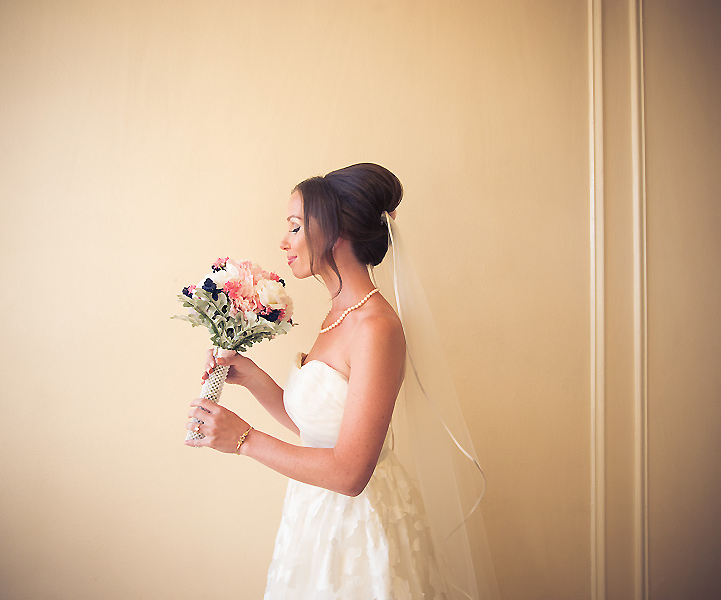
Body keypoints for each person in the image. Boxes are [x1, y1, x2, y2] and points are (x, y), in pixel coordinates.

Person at [185, 163, 495, 599]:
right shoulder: (338, 314)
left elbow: (351, 473)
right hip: (312, 516)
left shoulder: (375, 328)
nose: (283, 241)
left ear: (334, 232)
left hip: (356, 529)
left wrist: (244, 439)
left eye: (295, 227)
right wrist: (252, 378)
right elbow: (319, 430)